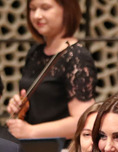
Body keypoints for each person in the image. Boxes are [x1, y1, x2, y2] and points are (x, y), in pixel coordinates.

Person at [6, 0, 96, 139]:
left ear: (66, 9)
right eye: (32, 8)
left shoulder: (77, 56)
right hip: (33, 149)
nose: (37, 15)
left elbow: (83, 120)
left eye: (45, 8)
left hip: (62, 151)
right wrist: (19, 104)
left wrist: (31, 131)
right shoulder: (35, 52)